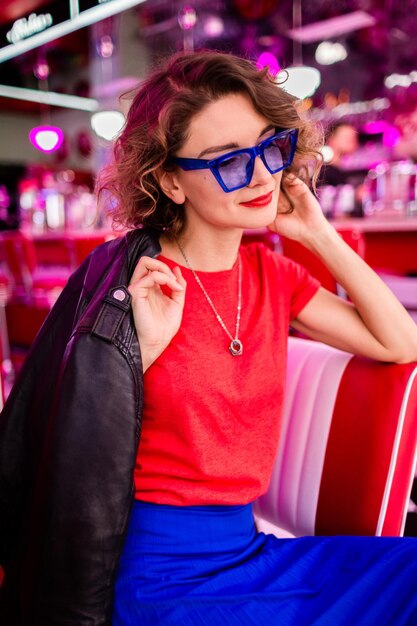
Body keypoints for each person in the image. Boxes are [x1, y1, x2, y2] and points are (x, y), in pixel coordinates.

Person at [1, 50, 417, 626]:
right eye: (228, 162)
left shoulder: (274, 277)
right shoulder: (132, 282)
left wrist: (318, 233)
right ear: (170, 180)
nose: (263, 175)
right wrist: (139, 350)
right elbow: (77, 443)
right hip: (152, 571)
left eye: (269, 148)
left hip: (250, 553)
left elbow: (402, 344)